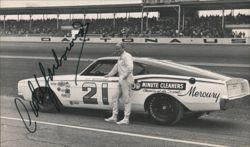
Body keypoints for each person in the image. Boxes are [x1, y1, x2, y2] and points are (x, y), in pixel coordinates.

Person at [104, 42, 134, 125]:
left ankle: (126, 118)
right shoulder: (120, 57)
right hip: (122, 80)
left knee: (126, 99)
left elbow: (130, 67)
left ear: (123, 48)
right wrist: (109, 74)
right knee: (114, 98)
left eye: (118, 48)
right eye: (116, 48)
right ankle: (114, 116)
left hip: (127, 79)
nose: (117, 50)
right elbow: (116, 67)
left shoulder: (127, 56)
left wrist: (125, 76)